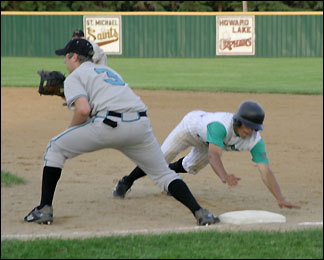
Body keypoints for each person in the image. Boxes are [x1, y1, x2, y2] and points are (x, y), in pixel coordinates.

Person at [24, 38, 219, 226]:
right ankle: (201, 213)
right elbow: (101, 102)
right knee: (163, 174)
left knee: (55, 147)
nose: (64, 61)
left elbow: (83, 110)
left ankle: (44, 209)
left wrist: (69, 132)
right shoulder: (109, 72)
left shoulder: (74, 77)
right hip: (141, 125)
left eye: (65, 57)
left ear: (74, 57)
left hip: (109, 126)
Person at [113, 101, 300, 210]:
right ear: (238, 121)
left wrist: (280, 197)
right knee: (159, 158)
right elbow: (214, 157)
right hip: (190, 128)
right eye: (247, 126)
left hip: (208, 142)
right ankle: (127, 181)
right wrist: (224, 176)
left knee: (190, 167)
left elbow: (265, 170)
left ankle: (167, 176)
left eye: (254, 128)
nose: (250, 131)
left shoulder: (254, 140)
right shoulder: (220, 126)